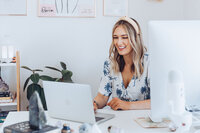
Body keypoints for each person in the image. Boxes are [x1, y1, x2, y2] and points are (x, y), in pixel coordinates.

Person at [93, 16, 150, 111]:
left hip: (142, 121)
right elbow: (102, 97)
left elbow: (159, 101)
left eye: (124, 37)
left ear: (136, 38)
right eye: (115, 37)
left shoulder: (149, 62)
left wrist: (128, 105)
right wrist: (94, 104)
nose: (119, 43)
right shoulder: (110, 63)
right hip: (118, 121)